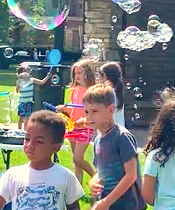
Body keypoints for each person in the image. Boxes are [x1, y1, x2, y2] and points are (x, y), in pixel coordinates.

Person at [60, 59, 97, 189]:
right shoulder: (74, 89)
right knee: (76, 161)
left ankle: (96, 177)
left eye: (80, 73)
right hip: (73, 126)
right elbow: (73, 109)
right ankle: (78, 189)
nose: (77, 76)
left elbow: (92, 110)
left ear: (88, 74)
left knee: (78, 158)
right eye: (75, 73)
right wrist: (64, 109)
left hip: (85, 127)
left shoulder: (91, 91)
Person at [15, 64, 52, 130]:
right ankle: (19, 130)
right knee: (21, 117)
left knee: (27, 117)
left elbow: (42, 82)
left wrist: (48, 76)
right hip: (22, 102)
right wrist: (18, 85)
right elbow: (17, 90)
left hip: (28, 102)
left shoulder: (32, 80)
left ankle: (25, 130)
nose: (29, 72)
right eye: (27, 71)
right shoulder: (19, 82)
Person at [96, 61, 127, 129]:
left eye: (98, 75)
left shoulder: (107, 94)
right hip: (119, 130)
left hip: (109, 131)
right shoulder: (117, 92)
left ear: (104, 75)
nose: (97, 78)